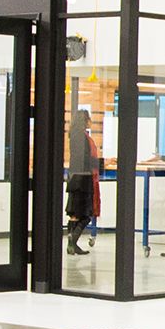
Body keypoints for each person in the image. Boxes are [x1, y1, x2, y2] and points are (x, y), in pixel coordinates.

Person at [65, 106, 101, 255]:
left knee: (75, 214)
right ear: (84, 120)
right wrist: (102, 163)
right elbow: (85, 159)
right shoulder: (81, 137)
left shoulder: (74, 135)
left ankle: (72, 244)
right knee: (85, 214)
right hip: (83, 179)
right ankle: (72, 241)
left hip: (75, 178)